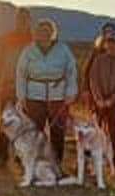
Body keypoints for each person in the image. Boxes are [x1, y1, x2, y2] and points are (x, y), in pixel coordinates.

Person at [16, 18, 78, 163]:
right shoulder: (29, 50)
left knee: (57, 130)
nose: (43, 34)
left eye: (47, 31)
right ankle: (34, 161)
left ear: (53, 33)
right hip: (34, 95)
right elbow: (21, 73)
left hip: (58, 96)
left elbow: (71, 71)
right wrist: (21, 96)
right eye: (40, 31)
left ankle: (56, 162)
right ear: (36, 33)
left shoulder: (63, 49)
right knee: (34, 131)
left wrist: (70, 92)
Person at [0, 7, 32, 167]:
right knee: (6, 120)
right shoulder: (6, 39)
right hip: (7, 85)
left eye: (25, 19)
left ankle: (21, 155)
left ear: (29, 21)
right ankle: (1, 156)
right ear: (16, 20)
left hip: (27, 88)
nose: (22, 21)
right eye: (19, 18)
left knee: (25, 122)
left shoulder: (34, 40)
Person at [89, 29, 115, 167]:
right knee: (95, 132)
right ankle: (94, 163)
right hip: (99, 102)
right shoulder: (98, 61)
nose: (112, 45)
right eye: (109, 42)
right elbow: (93, 80)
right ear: (104, 44)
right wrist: (98, 99)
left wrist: (112, 100)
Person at [81, 20, 115, 106]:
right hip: (97, 92)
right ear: (103, 33)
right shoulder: (97, 50)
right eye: (107, 31)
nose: (109, 33)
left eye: (111, 31)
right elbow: (88, 71)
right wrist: (85, 88)